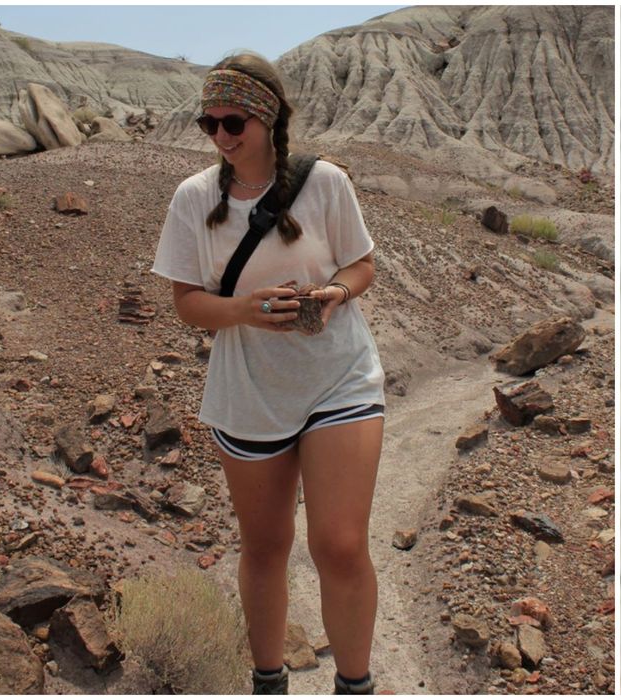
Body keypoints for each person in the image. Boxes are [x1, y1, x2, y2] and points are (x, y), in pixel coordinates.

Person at [151, 53, 385, 695]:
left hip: (338, 376)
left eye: (234, 122)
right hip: (249, 389)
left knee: (339, 544)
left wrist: (335, 293)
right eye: (209, 124)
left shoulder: (325, 182)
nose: (221, 136)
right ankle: (268, 681)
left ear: (268, 117)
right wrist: (246, 311)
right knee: (265, 545)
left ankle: (355, 685)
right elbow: (186, 303)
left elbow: (362, 265)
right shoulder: (194, 198)